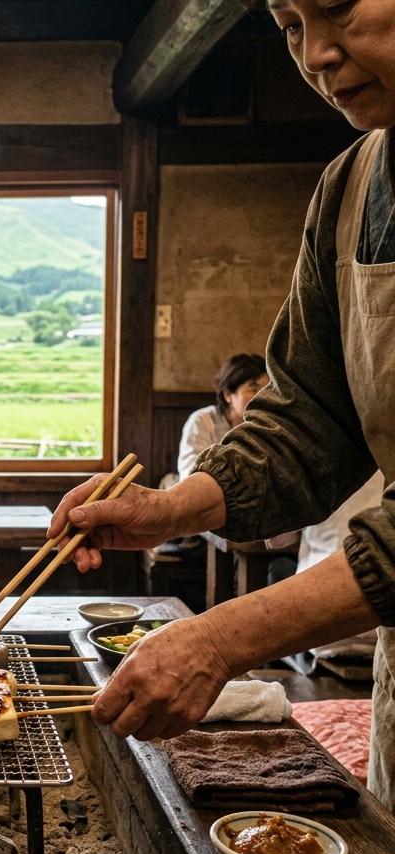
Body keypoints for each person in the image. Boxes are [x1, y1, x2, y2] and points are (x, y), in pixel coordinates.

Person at [48, 0, 395, 811]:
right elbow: (309, 415)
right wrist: (171, 508)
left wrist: (222, 637)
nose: (316, 55)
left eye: (339, 8)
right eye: (288, 24)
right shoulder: (349, 187)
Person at [177, 355, 268, 479]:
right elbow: (189, 475)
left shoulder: (267, 425)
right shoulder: (202, 421)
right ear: (228, 394)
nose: (262, 397)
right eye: (254, 389)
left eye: (267, 390)